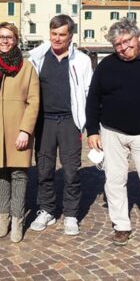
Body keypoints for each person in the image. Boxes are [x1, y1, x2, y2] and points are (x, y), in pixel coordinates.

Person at [85, 17, 140, 251]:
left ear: (138, 37)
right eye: (118, 45)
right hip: (112, 131)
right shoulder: (107, 65)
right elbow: (93, 97)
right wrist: (92, 130)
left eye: (127, 42)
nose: (124, 48)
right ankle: (121, 226)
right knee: (114, 181)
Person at [28, 15, 93, 236]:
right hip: (44, 121)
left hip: (69, 121)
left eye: (62, 34)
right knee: (44, 169)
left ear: (70, 36)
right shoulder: (36, 58)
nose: (57, 38)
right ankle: (46, 209)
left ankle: (71, 214)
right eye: (54, 34)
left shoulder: (82, 61)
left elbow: (88, 93)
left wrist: (89, 125)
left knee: (71, 171)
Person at [0, 22, 40, 243]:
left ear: (16, 40)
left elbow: (33, 101)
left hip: (18, 128)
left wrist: (25, 130)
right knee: (1, 174)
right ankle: (3, 217)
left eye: (9, 37)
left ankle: (18, 219)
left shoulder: (26, 67)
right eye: (1, 37)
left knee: (19, 174)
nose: (5, 41)